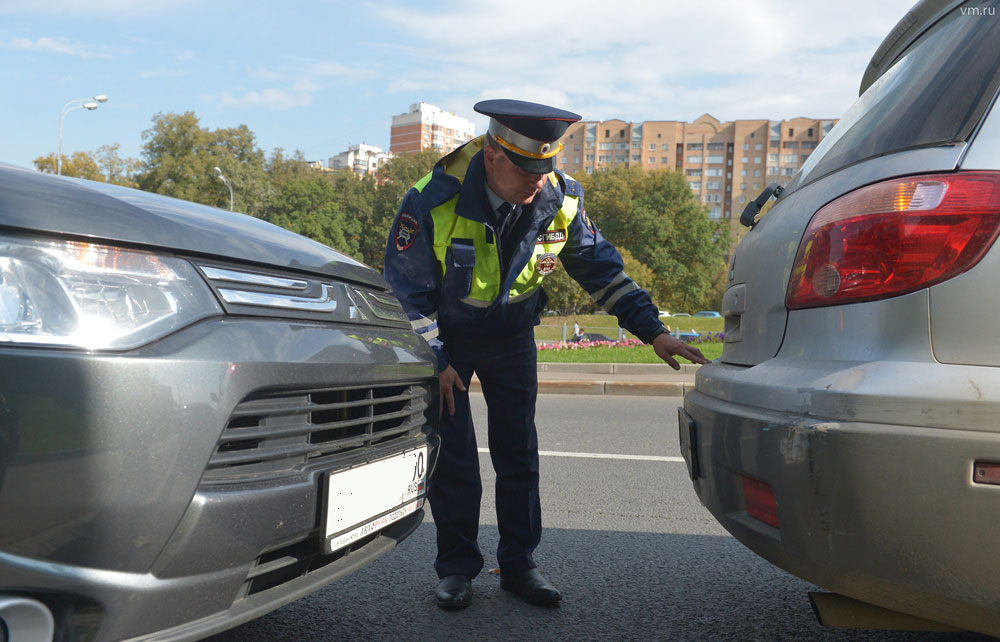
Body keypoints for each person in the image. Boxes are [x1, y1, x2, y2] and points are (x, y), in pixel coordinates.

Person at [383, 99, 708, 611]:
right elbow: (405, 291)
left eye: (545, 167)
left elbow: (601, 270)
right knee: (457, 459)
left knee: (518, 455)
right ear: (492, 156)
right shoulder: (433, 199)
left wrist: (653, 331)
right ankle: (456, 570)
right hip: (448, 340)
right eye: (526, 167)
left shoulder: (558, 198)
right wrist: (435, 358)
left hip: (512, 336)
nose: (537, 179)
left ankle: (519, 565)